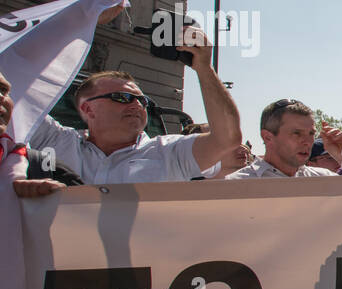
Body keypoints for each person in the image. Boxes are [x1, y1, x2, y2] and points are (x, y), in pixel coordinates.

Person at [23, 28, 241, 184]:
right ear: (88, 109)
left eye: (142, 99)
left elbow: (227, 138)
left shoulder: (168, 153)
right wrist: (77, 23)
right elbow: (16, 90)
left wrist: (203, 67)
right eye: (122, 97)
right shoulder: (52, 141)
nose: (137, 104)